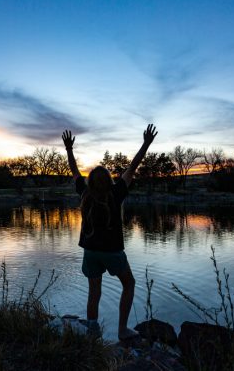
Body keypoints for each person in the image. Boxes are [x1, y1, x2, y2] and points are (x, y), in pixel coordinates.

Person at [62, 124, 158, 340]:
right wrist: (146, 144)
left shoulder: (85, 193)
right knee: (129, 284)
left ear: (91, 182)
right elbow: (133, 167)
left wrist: (69, 149)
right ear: (109, 180)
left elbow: (74, 171)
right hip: (112, 252)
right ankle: (122, 330)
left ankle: (92, 331)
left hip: (90, 252)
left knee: (94, 292)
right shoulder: (116, 193)